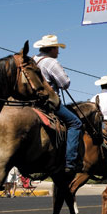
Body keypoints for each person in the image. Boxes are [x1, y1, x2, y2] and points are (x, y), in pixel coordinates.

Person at [33, 34, 84, 173]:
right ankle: (70, 161)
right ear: (52, 49)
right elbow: (65, 83)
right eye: (57, 48)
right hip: (48, 103)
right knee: (75, 123)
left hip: (31, 103)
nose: (58, 51)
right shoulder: (51, 62)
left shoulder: (32, 60)